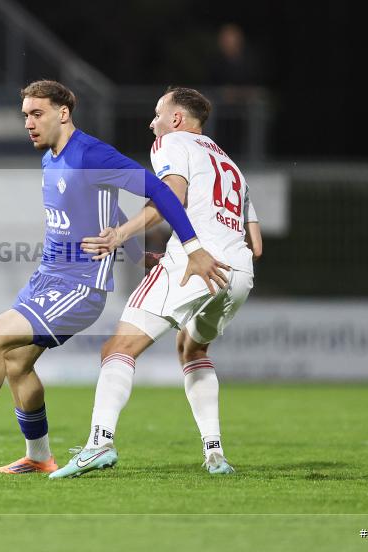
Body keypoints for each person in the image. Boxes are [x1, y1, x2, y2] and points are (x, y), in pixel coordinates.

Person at [0, 80, 230, 476]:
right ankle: (38, 457)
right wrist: (137, 255)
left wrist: (192, 247)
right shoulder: (51, 159)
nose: (28, 123)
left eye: (36, 114)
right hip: (46, 278)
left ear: (63, 113)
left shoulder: (91, 154)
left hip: (79, 287)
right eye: (25, 115)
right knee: (17, 363)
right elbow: (106, 214)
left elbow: (160, 191)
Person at [49, 86, 262, 479]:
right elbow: (257, 243)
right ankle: (214, 453)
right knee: (193, 349)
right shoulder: (230, 163)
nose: (152, 122)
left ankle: (99, 442)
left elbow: (172, 196)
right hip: (239, 272)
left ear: (177, 119)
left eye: (157, 113)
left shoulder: (170, 142)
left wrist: (121, 234)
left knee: (118, 347)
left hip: (196, 263)